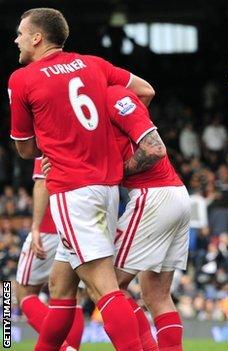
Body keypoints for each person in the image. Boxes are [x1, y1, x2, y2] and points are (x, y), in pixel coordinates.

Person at [8, 8, 154, 351]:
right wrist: (109, 134)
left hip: (72, 192)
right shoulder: (94, 64)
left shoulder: (22, 79)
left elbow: (26, 150)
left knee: (103, 289)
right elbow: (144, 91)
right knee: (61, 286)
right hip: (107, 188)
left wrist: (59, 137)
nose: (15, 40)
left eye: (20, 33)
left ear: (37, 38)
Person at [106, 85, 190, 351]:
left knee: (107, 285)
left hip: (152, 196)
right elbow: (147, 92)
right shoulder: (105, 106)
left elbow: (154, 149)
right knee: (157, 295)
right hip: (174, 195)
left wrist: (118, 172)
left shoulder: (113, 96)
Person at [15, 157, 83, 351]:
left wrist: (35, 227)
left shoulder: (51, 133)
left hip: (50, 228)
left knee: (25, 293)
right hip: (81, 225)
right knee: (71, 295)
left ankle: (63, 347)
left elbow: (42, 182)